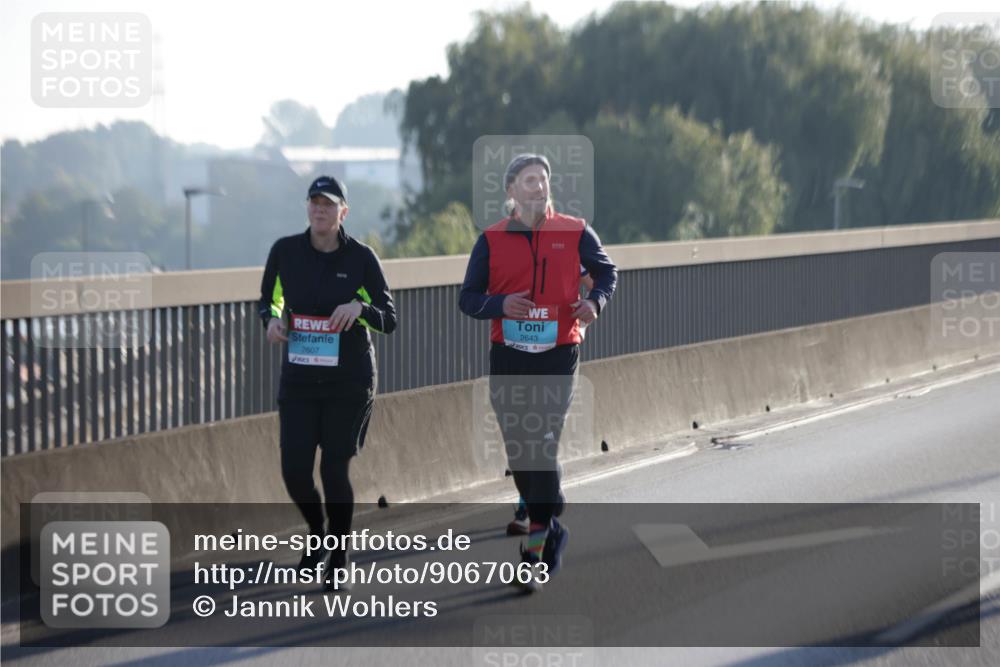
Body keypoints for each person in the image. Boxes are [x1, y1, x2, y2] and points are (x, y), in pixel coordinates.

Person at [460, 154, 617, 592]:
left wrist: (595, 303)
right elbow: (468, 298)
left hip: (558, 353)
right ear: (511, 190)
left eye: (543, 180)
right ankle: (548, 508)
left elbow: (607, 273)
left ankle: (534, 551)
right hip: (508, 356)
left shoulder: (575, 230)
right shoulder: (490, 240)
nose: (538, 187)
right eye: (529, 181)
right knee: (518, 450)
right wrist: (499, 305)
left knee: (541, 442)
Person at [259, 175, 396, 591]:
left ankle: (339, 556)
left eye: (329, 204)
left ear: (343, 213)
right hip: (300, 379)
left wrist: (360, 307)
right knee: (294, 470)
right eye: (314, 202)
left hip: (349, 381)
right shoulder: (285, 252)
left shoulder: (361, 258)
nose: (320, 209)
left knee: (334, 470)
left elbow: (389, 317)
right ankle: (317, 530)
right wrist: (272, 321)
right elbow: (268, 300)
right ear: (307, 208)